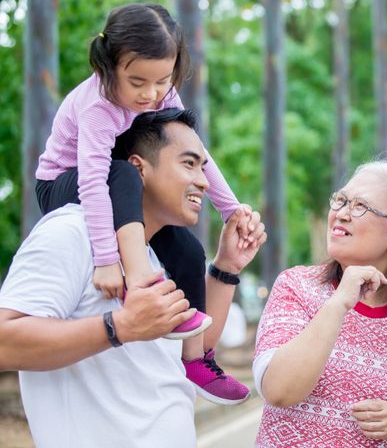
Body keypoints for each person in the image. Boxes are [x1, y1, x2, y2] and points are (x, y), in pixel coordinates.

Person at [0, 108, 266, 448]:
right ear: (138, 168)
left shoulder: (159, 257)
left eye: (204, 167)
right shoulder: (73, 232)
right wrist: (118, 327)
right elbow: (5, 341)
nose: (203, 180)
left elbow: (192, 351)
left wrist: (227, 266)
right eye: (189, 164)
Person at [34, 3, 253, 403]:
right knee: (121, 173)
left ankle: (196, 358)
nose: (151, 94)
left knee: (188, 248)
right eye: (137, 82)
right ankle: (139, 280)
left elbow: (195, 151)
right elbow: (96, 181)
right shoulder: (97, 107)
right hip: (62, 184)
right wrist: (105, 258)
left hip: (120, 183)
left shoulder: (161, 93)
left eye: (161, 81)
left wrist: (230, 208)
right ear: (107, 67)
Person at [252, 160, 387, 447]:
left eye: (360, 206)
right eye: (340, 200)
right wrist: (339, 303)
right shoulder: (297, 286)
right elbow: (278, 390)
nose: (340, 214)